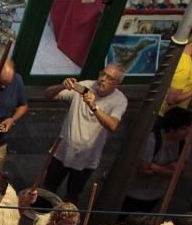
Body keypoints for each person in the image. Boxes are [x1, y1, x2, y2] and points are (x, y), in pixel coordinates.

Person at [43, 65, 128, 204]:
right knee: (48, 189)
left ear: (117, 83)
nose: (102, 79)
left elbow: (112, 125)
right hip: (61, 152)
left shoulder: (120, 100)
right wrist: (62, 86)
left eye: (109, 78)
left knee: (72, 195)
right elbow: (47, 94)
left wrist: (94, 106)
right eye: (103, 74)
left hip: (87, 158)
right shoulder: (84, 86)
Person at [120, 107, 192, 220]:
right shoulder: (152, 140)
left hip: (156, 194)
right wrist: (168, 168)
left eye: (189, 127)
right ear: (171, 129)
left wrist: (153, 166)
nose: (187, 132)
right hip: (135, 193)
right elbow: (142, 170)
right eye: (183, 129)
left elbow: (177, 173)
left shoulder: (184, 145)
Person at [159, 41, 192, 117]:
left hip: (173, 115)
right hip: (167, 117)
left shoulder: (184, 58)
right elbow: (172, 100)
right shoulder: (184, 63)